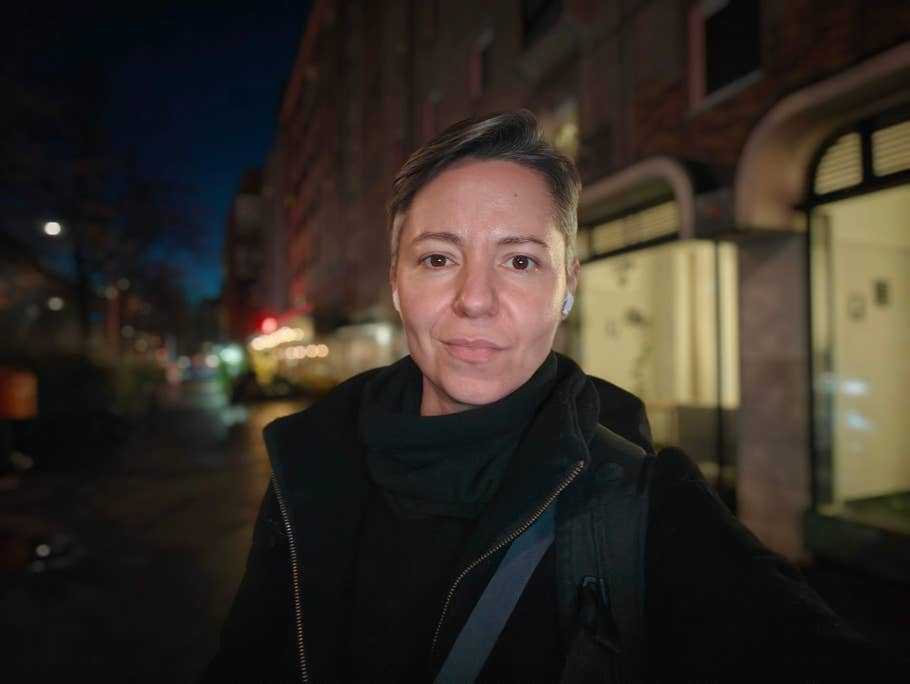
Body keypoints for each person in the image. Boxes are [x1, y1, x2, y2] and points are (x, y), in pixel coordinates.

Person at [204, 111, 891, 683]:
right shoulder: (307, 466)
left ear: (567, 290)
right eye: (439, 258)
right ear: (395, 281)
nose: (475, 299)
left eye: (522, 260)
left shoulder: (645, 505)